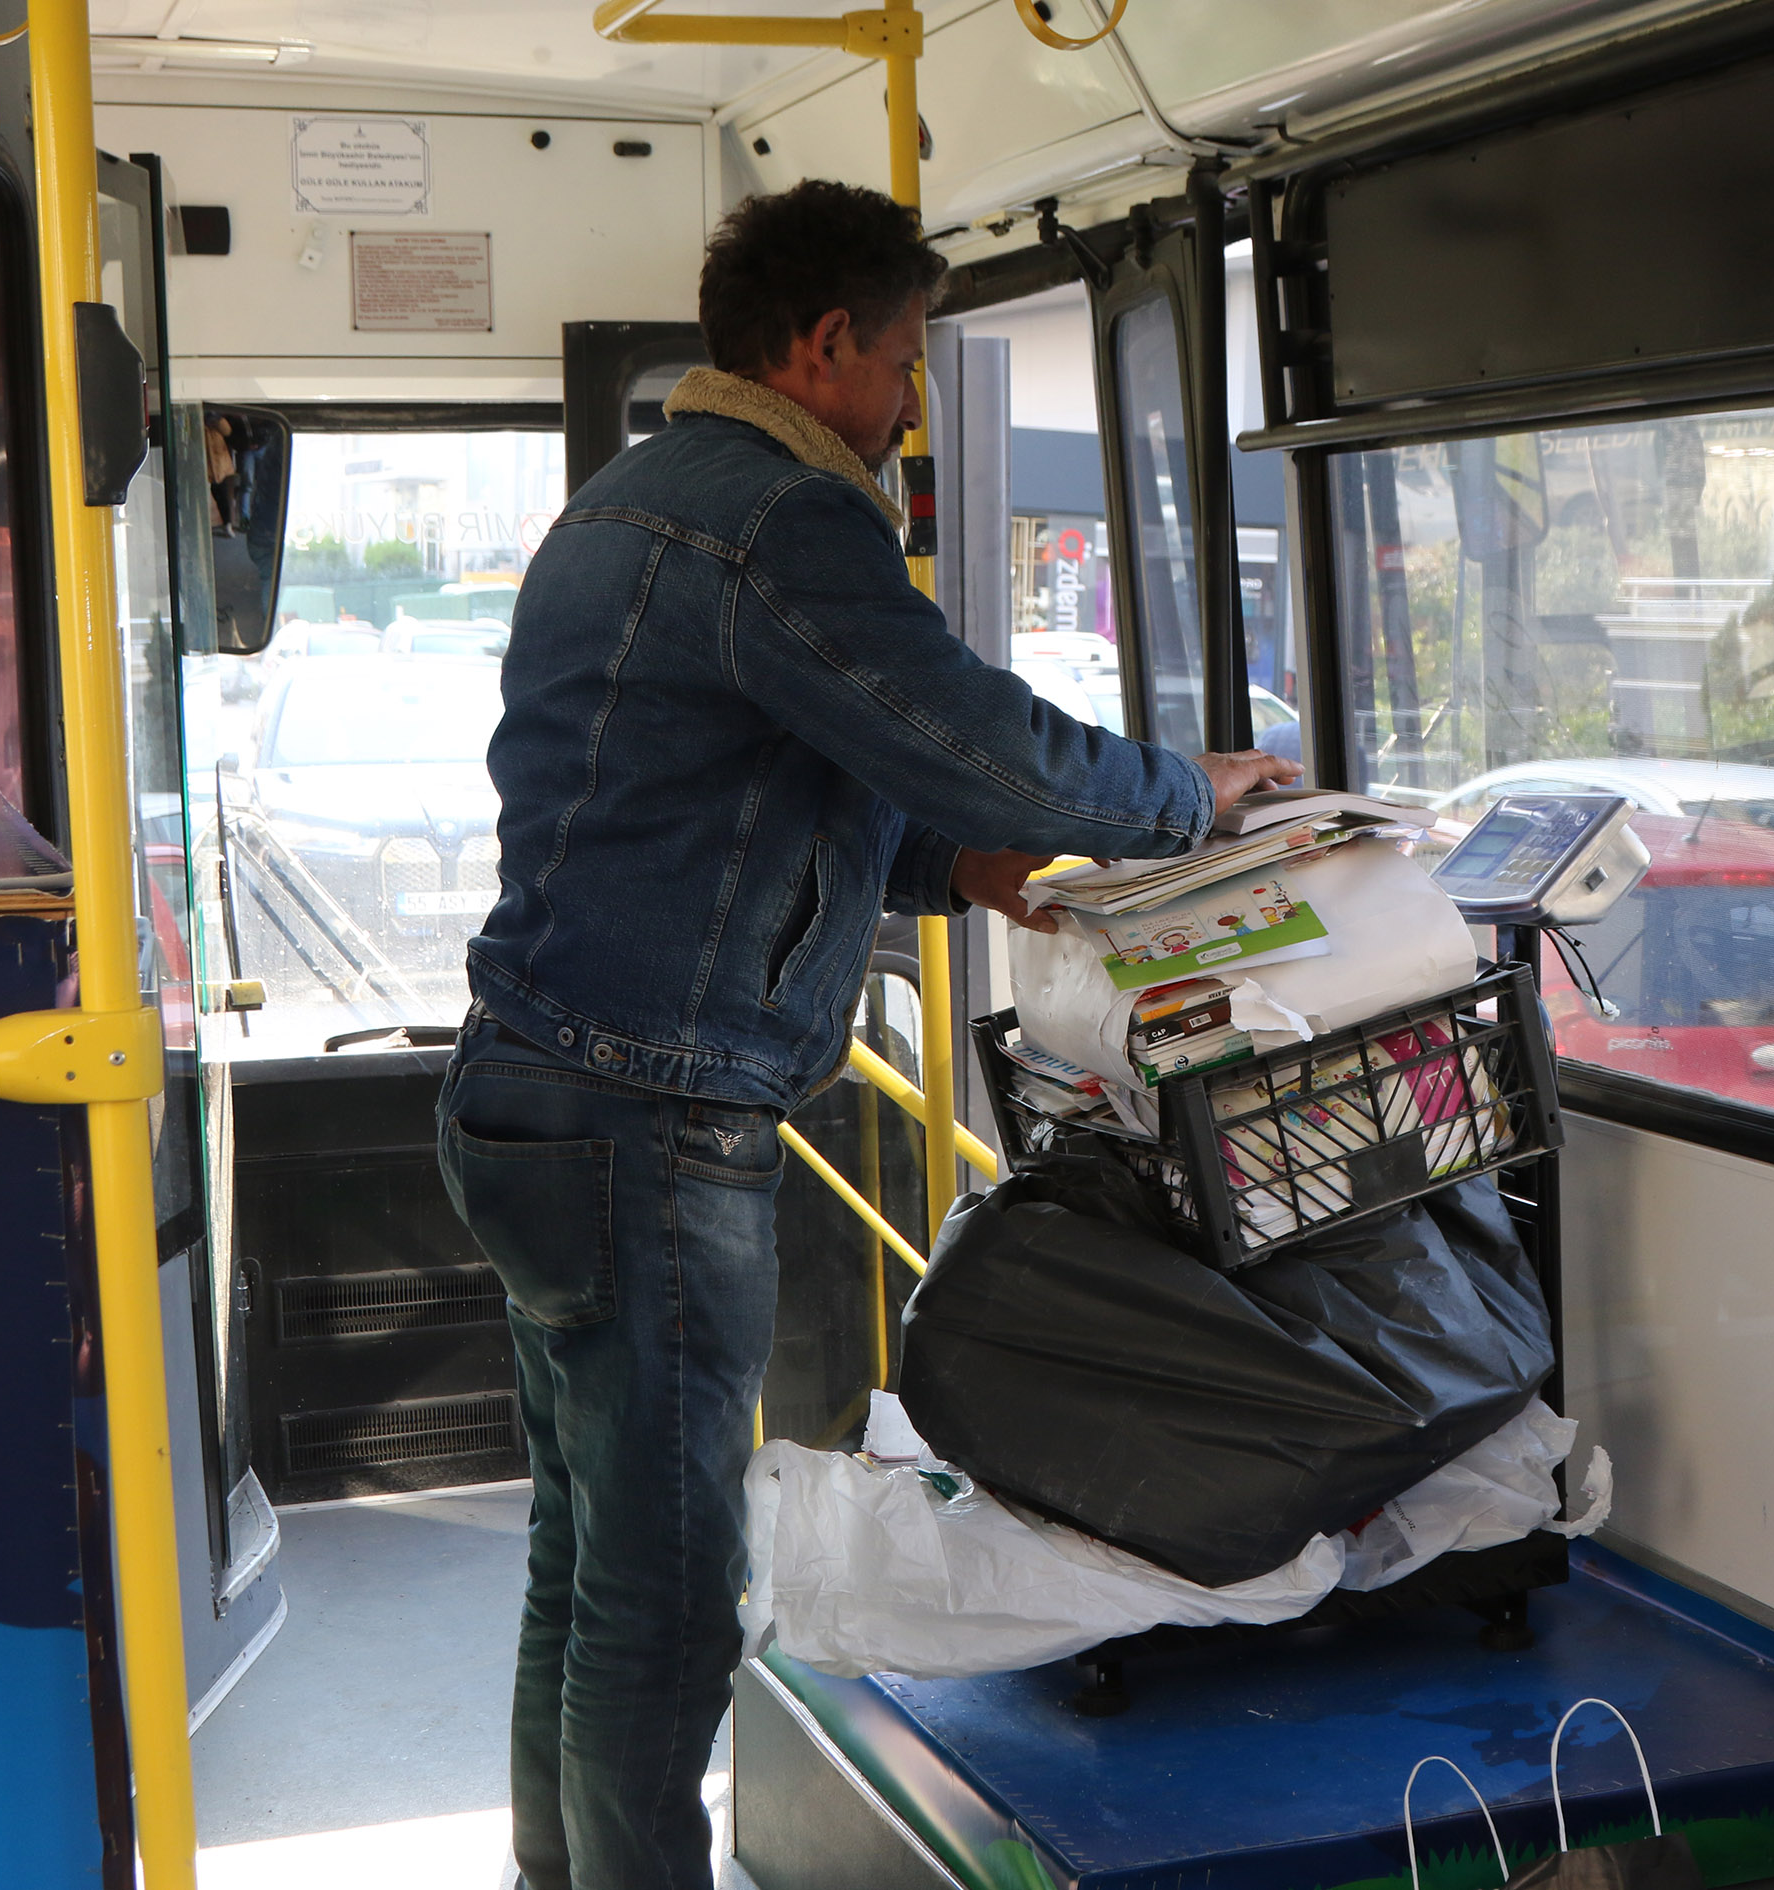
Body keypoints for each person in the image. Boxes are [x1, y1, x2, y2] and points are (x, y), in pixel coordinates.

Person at [436, 179, 1297, 1890]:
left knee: (587, 1560)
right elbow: (971, 733)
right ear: (825, 346)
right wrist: (1180, 795)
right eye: (905, 364)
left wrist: (962, 867)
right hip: (651, 1126)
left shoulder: (621, 504)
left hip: (526, 1096)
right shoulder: (783, 520)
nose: (910, 404)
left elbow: (727, 800)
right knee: (669, 1597)